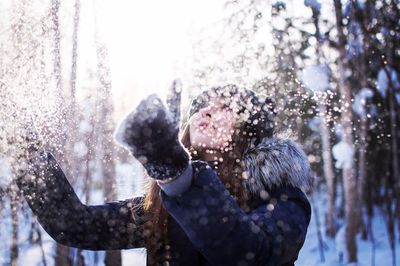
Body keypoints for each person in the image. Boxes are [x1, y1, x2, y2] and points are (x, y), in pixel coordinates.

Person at [15, 84, 312, 266]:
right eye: (202, 105)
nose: (205, 111)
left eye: (224, 106)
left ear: (249, 130)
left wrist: (178, 178)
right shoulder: (162, 207)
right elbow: (72, 224)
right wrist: (24, 148)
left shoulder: (281, 199)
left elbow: (245, 254)